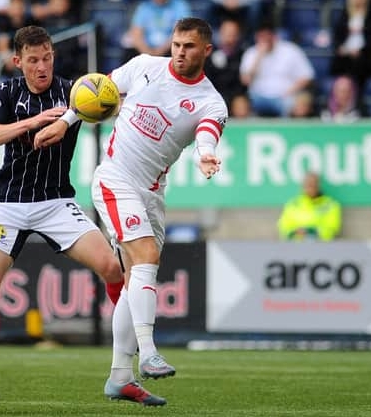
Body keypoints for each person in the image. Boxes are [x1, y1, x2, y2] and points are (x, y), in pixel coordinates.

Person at [35, 17, 227, 406]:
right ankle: (149, 351)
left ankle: (120, 377)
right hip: (114, 179)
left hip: (153, 192)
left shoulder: (211, 101)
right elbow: (97, 90)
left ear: (206, 50)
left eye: (189, 46)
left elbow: (208, 132)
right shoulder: (143, 66)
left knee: (135, 277)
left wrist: (206, 154)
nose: (179, 52)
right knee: (147, 257)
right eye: (176, 44)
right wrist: (67, 122)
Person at [0, 25, 125, 413]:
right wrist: (30, 123)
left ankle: (127, 366)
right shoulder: (8, 92)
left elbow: (109, 103)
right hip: (7, 203)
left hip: (55, 202)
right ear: (19, 62)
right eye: (33, 60)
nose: (42, 65)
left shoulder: (74, 92)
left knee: (112, 267)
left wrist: (96, 108)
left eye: (47, 57)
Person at [239, 20, 315, 117]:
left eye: (267, 36)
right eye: (261, 37)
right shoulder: (251, 53)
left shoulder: (291, 50)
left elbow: (307, 76)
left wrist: (289, 91)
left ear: (274, 36)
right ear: (256, 37)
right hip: (256, 97)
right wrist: (259, 57)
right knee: (241, 104)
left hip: (285, 96)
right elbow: (246, 81)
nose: (265, 40)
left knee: (297, 104)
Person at [277, 171, 342, 241]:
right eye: (307, 184)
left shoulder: (330, 204)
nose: (310, 187)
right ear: (303, 185)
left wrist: (311, 231)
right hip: (295, 247)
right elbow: (284, 227)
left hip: (320, 246)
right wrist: (294, 232)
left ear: (318, 185)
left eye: (313, 184)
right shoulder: (293, 204)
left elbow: (331, 228)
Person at [121, 0, 192, 63]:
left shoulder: (180, 5)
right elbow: (136, 33)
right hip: (146, 49)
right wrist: (147, 53)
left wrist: (160, 51)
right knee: (129, 50)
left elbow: (180, 32)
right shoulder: (144, 7)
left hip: (169, 47)